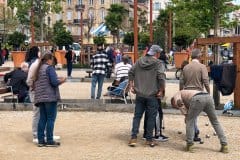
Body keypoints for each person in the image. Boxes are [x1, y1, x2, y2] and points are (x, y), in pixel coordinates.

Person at [128, 45, 166, 147]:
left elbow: (130, 72)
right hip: (152, 94)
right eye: (159, 53)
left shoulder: (139, 61)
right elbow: (161, 77)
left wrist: (132, 86)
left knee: (137, 116)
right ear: (156, 53)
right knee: (151, 117)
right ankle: (149, 139)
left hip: (139, 94)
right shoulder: (158, 63)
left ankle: (133, 138)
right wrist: (161, 90)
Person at [33, 53, 66, 147]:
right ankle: (50, 140)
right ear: (49, 60)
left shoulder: (39, 69)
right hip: (50, 97)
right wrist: (63, 81)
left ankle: (41, 140)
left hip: (40, 97)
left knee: (42, 118)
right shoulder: (49, 68)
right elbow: (54, 82)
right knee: (51, 119)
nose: (53, 62)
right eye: (52, 60)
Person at [182, 48, 210, 142]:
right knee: (194, 115)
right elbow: (206, 81)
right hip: (197, 93)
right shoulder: (202, 67)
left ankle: (194, 131)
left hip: (186, 93)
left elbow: (182, 82)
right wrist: (208, 92)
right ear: (199, 56)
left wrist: (181, 92)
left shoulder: (186, 67)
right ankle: (193, 134)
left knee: (189, 115)